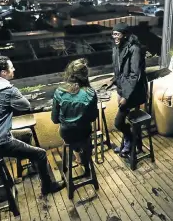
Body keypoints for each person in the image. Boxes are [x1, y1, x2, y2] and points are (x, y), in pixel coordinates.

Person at [0, 52, 64, 196]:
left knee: (27, 134)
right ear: (3, 73)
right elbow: (25, 106)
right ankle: (48, 187)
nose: (14, 69)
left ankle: (34, 167)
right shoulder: (9, 91)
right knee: (41, 154)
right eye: (11, 68)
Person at [103, 22, 148, 157]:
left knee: (118, 122)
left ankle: (130, 140)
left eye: (117, 34)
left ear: (125, 35)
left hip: (134, 92)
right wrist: (113, 82)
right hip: (124, 89)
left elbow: (134, 75)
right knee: (125, 119)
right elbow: (119, 71)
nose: (115, 37)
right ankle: (133, 141)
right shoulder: (117, 48)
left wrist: (125, 96)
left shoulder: (134, 49)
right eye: (113, 34)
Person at [51, 58, 98, 176]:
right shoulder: (90, 93)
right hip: (83, 132)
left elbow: (54, 119)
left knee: (70, 135)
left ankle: (78, 155)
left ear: (69, 74)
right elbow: (93, 118)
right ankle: (85, 160)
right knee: (85, 137)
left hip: (66, 133)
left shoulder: (59, 92)